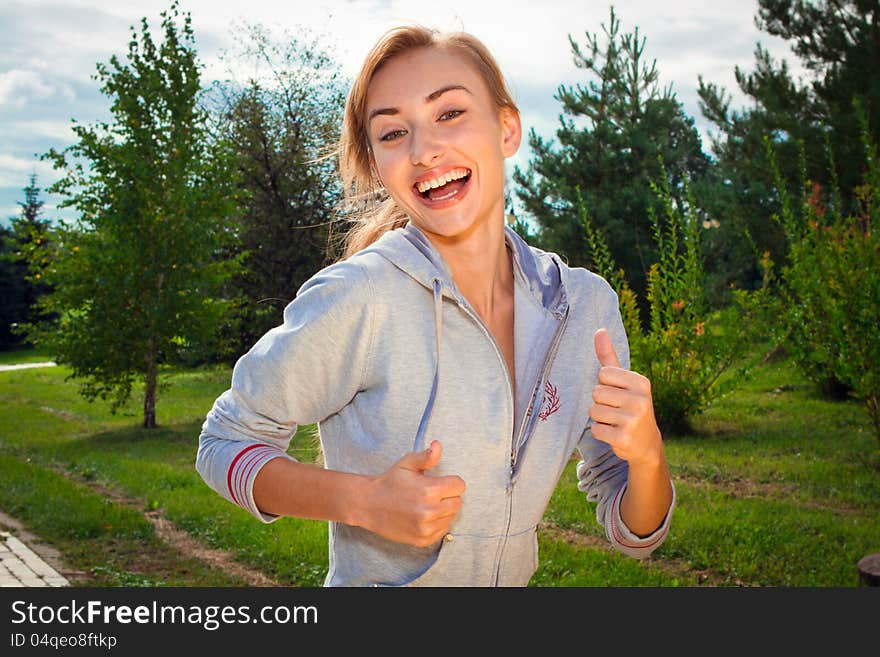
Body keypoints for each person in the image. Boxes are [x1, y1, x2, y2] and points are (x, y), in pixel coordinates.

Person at [196, 24, 675, 587]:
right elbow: (224, 442)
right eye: (394, 132)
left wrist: (646, 456)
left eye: (449, 113)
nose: (424, 151)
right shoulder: (360, 296)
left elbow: (637, 530)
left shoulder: (582, 307)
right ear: (377, 165)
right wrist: (365, 501)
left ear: (507, 127)